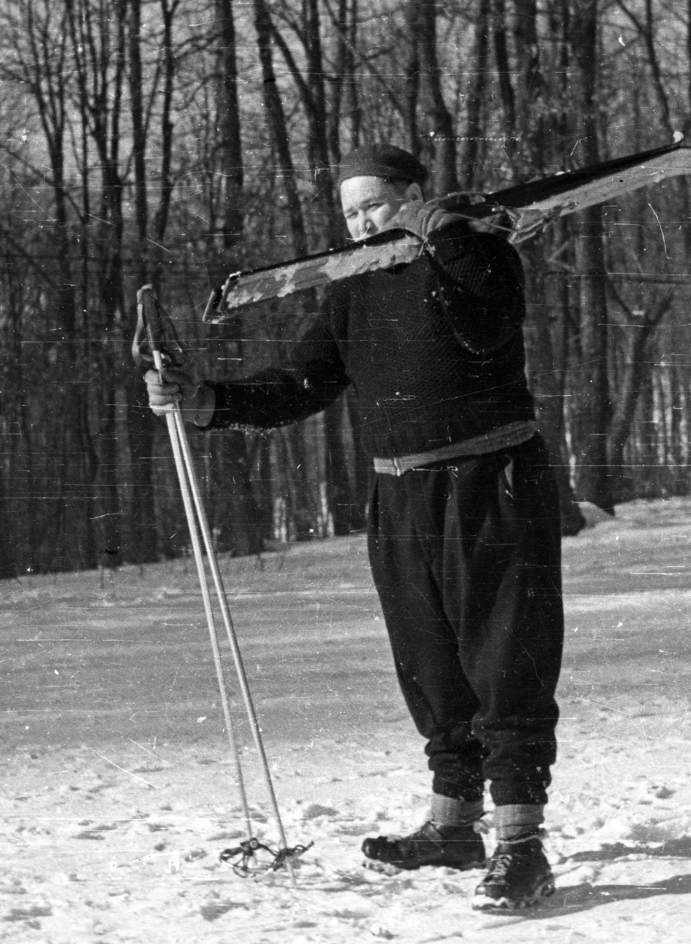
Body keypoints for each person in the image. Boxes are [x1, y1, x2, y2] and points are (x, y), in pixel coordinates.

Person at [146, 143, 564, 909]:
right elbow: (300, 382)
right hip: (398, 493)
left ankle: (521, 843)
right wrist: (207, 401)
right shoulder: (354, 285)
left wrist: (448, 237)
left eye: (375, 204)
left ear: (415, 193)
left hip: (489, 481)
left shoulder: (479, 253)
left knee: (506, 658)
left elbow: (491, 325)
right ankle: (453, 824)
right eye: (351, 213)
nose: (363, 222)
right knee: (430, 664)